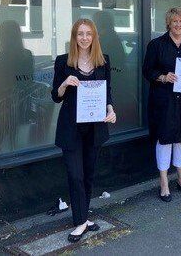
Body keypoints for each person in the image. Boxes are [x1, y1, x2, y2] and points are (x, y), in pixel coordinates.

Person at [51, 18, 116, 242]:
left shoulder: (103, 61)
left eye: (89, 33)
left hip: (95, 128)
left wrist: (111, 110)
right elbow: (55, 97)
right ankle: (80, 222)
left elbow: (107, 93)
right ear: (74, 37)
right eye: (80, 34)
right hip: (71, 129)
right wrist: (64, 84)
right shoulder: (63, 62)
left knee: (88, 175)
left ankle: (83, 216)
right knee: (75, 175)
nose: (85, 38)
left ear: (94, 36)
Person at [143, 7, 181, 202]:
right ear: (168, 23)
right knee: (164, 140)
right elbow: (147, 70)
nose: (178, 25)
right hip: (164, 101)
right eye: (174, 21)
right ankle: (164, 183)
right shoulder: (156, 45)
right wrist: (163, 77)